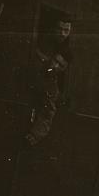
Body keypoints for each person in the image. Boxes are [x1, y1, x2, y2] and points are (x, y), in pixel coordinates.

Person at [25, 18, 72, 147]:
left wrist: (35, 134)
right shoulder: (45, 40)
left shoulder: (67, 49)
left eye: (66, 30)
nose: (63, 33)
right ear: (54, 29)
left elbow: (49, 111)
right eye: (60, 29)